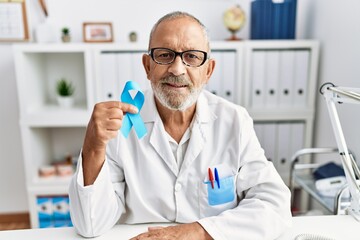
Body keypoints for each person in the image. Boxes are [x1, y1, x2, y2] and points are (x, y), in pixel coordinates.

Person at [69, 11, 292, 240]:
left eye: (192, 57)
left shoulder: (234, 121)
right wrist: (93, 147)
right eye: (165, 55)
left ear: (208, 70)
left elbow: (275, 207)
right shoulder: (121, 124)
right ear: (147, 67)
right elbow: (90, 224)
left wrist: (193, 232)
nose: (177, 69)